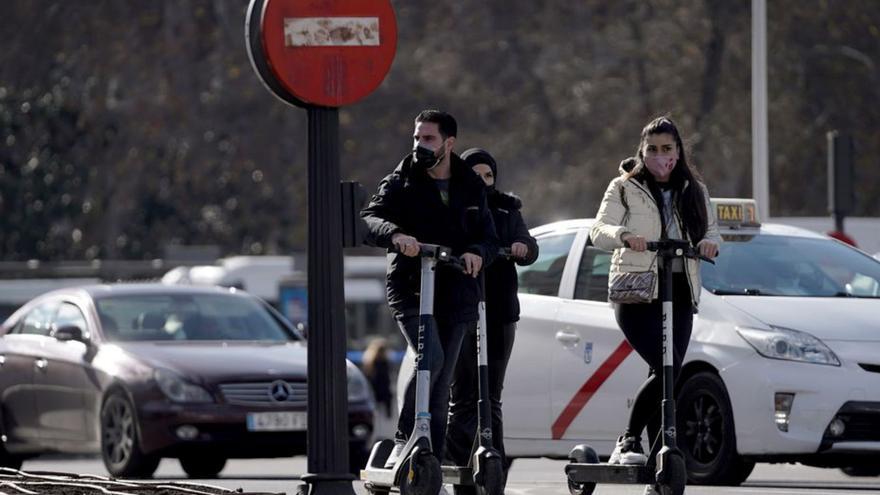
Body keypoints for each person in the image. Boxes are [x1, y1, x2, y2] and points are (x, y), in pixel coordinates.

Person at [361, 110, 499, 469]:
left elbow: (488, 236)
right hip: (411, 287)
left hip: (456, 293)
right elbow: (370, 218)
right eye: (417, 138)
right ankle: (404, 439)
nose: (419, 145)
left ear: (449, 144)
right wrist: (396, 235)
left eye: (428, 139)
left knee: (441, 386)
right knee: (431, 360)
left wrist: (476, 253)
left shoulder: (470, 185)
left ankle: (429, 460)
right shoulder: (402, 178)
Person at [590, 117, 721, 475]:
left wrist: (710, 243)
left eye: (667, 149)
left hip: (679, 290)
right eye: (652, 149)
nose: (659, 156)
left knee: (670, 371)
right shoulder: (623, 187)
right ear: (642, 151)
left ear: (678, 152)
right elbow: (598, 230)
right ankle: (629, 440)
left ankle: (660, 455)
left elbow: (712, 232)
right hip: (636, 290)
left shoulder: (695, 190)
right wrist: (623, 234)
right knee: (667, 370)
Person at [446, 148, 538, 485]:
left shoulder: (507, 209)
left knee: (491, 396)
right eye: (476, 176)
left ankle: (493, 466)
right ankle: (460, 467)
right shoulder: (456, 208)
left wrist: (521, 248)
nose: (483, 182)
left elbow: (529, 244)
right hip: (464, 309)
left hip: (499, 311)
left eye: (489, 176)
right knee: (464, 395)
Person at [362, 338, 393, 419]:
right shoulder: (375, 362)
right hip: (377, 386)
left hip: (380, 386)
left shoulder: (380, 361)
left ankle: (386, 416)